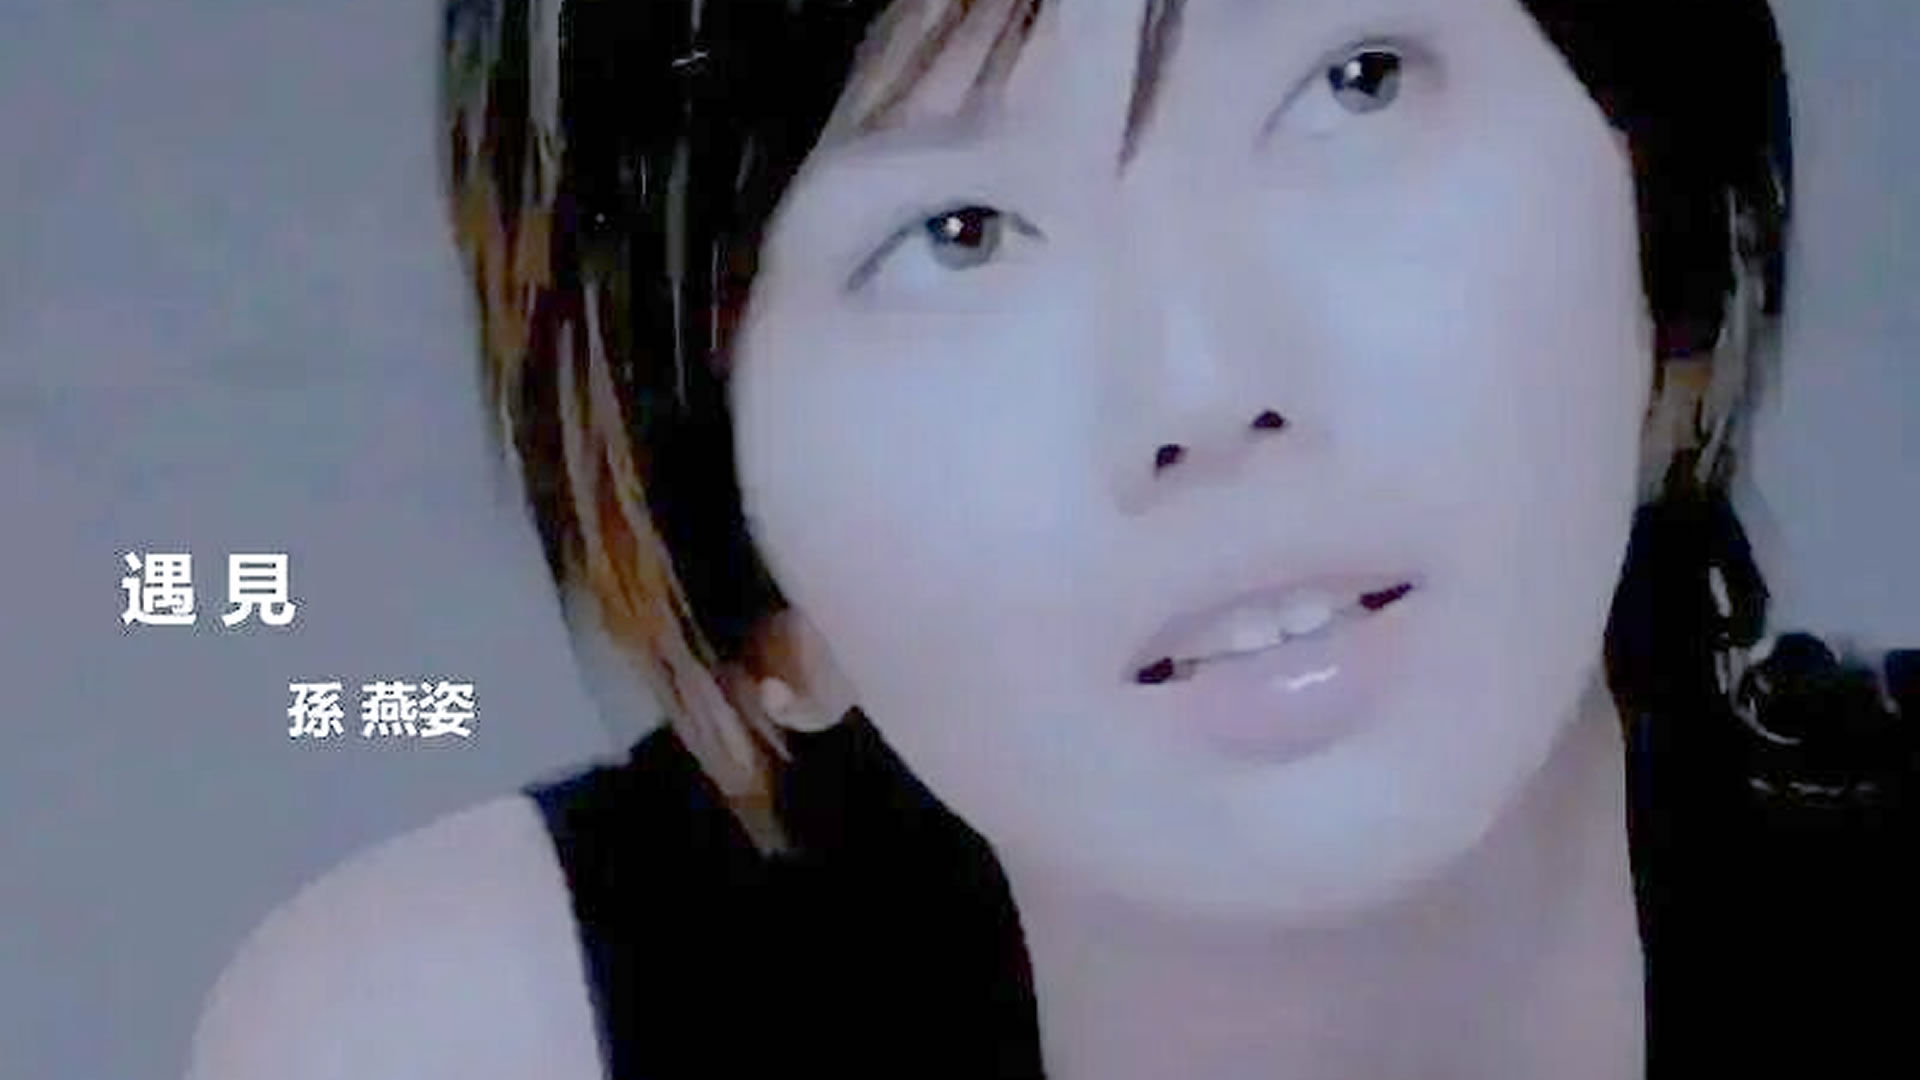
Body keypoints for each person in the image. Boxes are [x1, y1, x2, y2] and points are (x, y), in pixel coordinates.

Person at [189, 1, 1918, 1077]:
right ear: (753, 580)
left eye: (1355, 82)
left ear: (1654, 223)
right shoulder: (475, 1036)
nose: (1208, 385)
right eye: (955, 234)